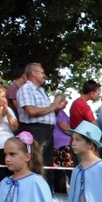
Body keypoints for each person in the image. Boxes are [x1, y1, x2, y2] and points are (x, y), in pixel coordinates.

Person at [16, 62, 67, 192]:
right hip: (35, 130)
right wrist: (54, 105)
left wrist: (56, 109)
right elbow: (31, 111)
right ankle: (34, 194)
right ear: (33, 73)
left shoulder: (41, 91)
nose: (44, 75)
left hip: (48, 131)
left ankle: (47, 194)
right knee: (36, 164)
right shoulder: (26, 89)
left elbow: (47, 112)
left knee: (47, 166)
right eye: (42, 72)